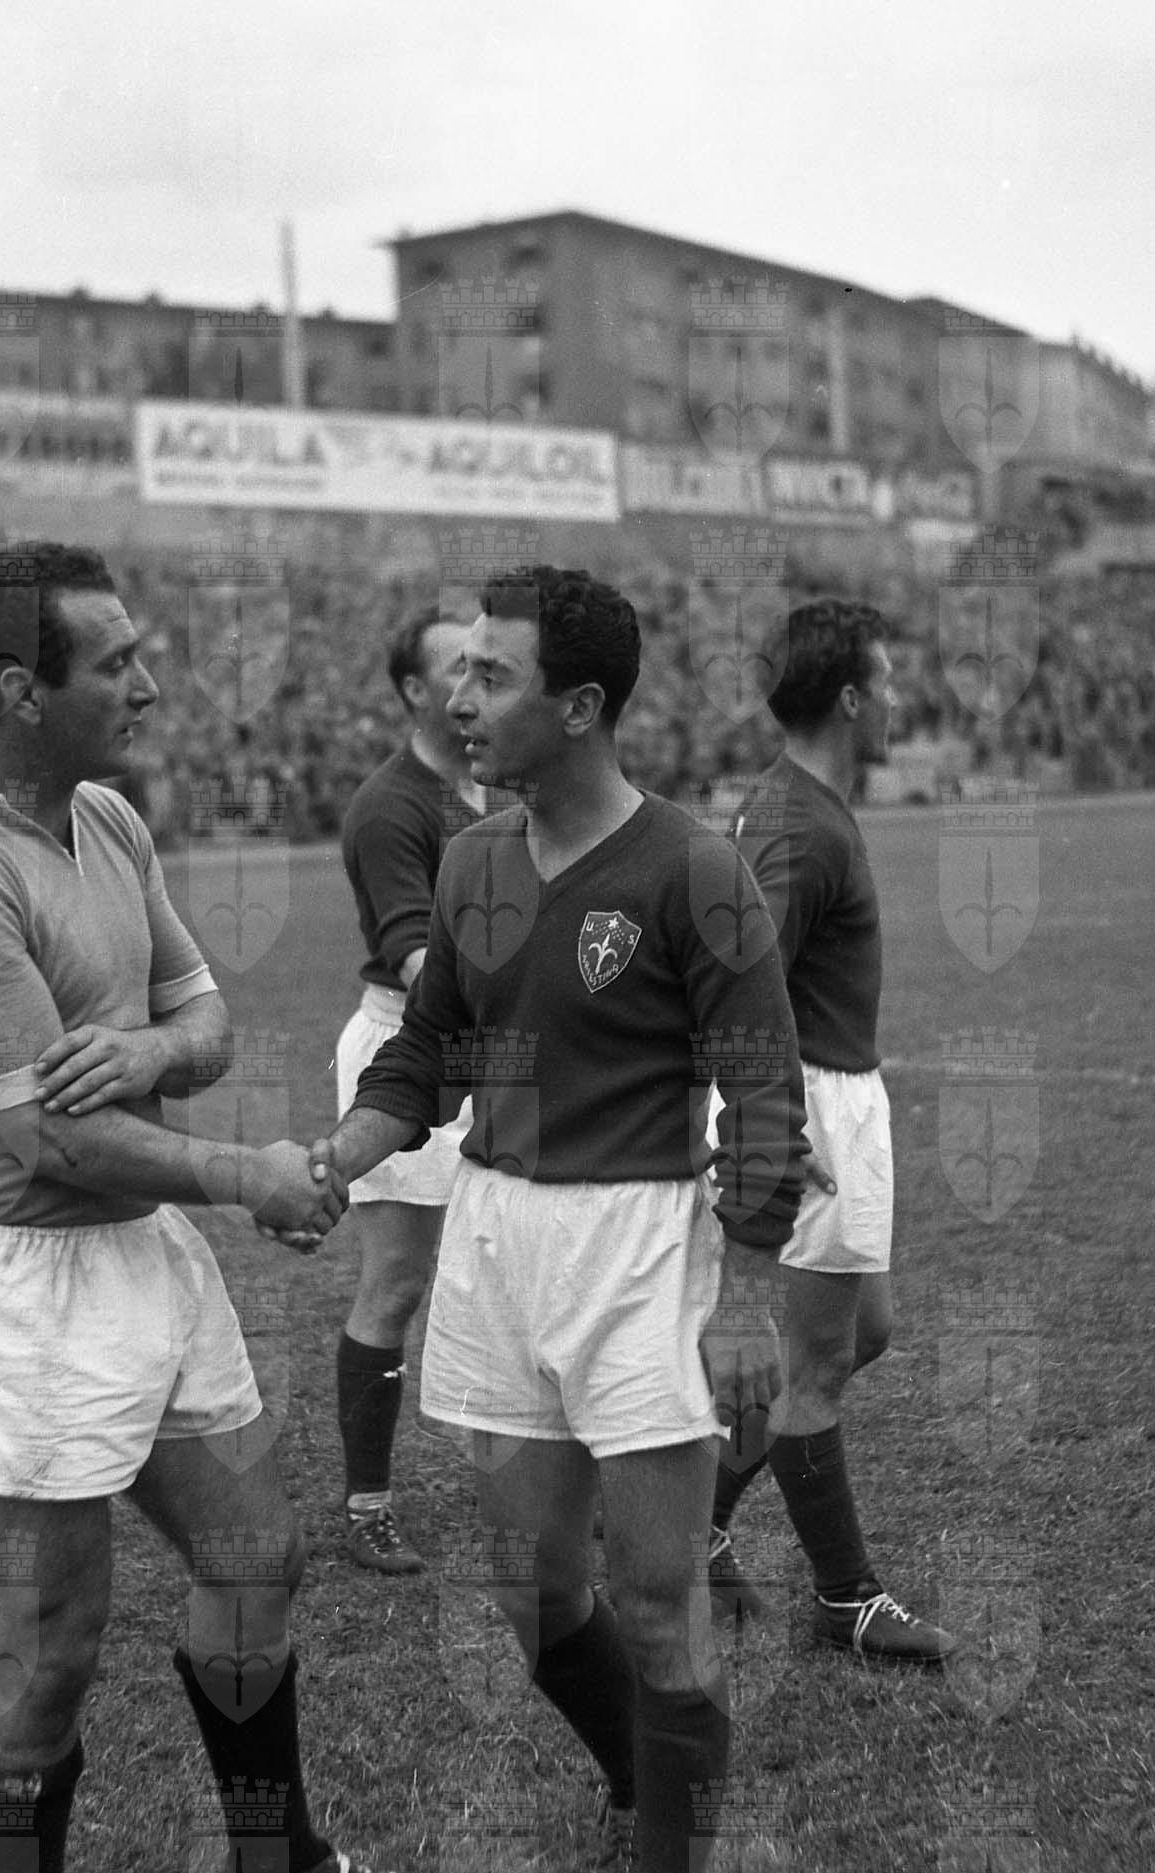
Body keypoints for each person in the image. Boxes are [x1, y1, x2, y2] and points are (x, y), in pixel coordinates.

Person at [0, 541, 386, 1873]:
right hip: (18, 1289)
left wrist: (152, 1050)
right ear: (19, 692)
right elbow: (48, 1137)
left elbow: (204, 1020)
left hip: (136, 1251)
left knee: (255, 1555)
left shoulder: (106, 817)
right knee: (50, 1653)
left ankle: (278, 1856)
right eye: (117, 661)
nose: (149, 683)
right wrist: (244, 1173)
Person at [316, 565, 814, 1873]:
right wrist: (342, 1154)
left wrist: (746, 1296)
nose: (459, 700)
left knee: (654, 1600)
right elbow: (429, 1049)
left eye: (492, 676)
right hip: (495, 1236)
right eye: (459, 671)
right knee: (533, 1586)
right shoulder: (472, 859)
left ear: (580, 706)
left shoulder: (693, 869)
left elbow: (765, 1090)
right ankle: (636, 1778)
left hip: (638, 1246)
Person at [707, 598, 957, 1665]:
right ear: (850, 698)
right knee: (814, 1365)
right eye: (887, 680)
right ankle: (844, 1598)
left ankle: (699, 1520)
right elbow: (735, 977)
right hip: (805, 1099)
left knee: (864, 1331)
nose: (899, 697)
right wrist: (764, 1123)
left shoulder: (800, 805)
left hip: (835, 1092)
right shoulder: (797, 825)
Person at [331, 605, 485, 1573]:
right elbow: (420, 961)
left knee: (514, 1263)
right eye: (457, 668)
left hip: (499, 1050)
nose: (474, 685)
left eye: (486, 667)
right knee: (395, 1281)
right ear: (413, 691)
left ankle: (551, 1473)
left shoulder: (497, 783)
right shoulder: (391, 805)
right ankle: (367, 1502)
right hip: (410, 1044)